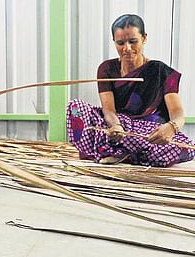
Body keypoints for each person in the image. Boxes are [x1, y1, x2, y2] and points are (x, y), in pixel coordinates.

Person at [66, 14, 195, 167]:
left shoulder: (160, 71)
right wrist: (116, 126)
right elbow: (109, 110)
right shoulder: (106, 69)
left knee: (185, 148)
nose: (127, 48)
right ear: (114, 42)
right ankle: (128, 153)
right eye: (120, 43)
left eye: (133, 41)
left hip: (147, 132)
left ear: (144, 38)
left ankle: (118, 153)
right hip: (119, 127)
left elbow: (177, 113)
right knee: (75, 107)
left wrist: (171, 128)